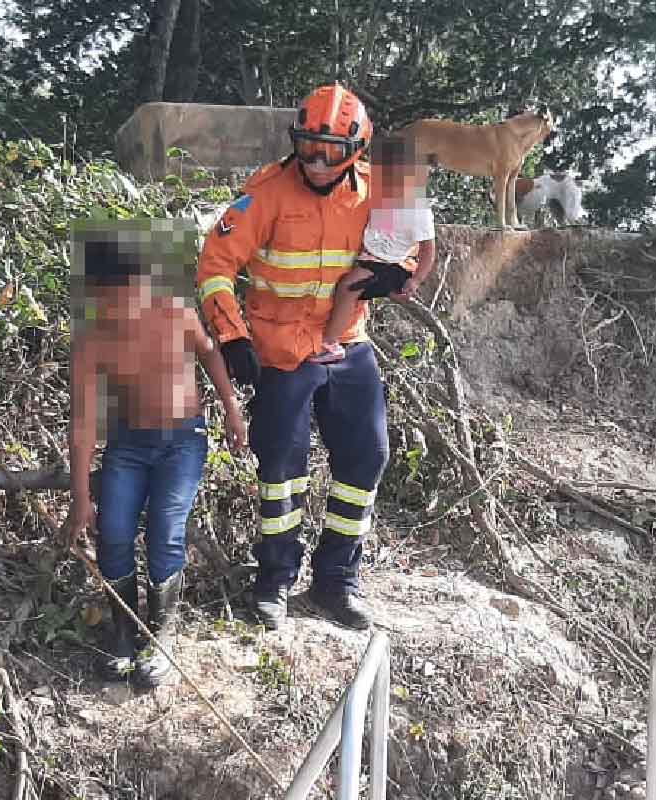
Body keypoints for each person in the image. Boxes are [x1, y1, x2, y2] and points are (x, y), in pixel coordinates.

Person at [196, 83, 403, 631]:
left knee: (367, 457)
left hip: (346, 341)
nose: (315, 160)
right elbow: (215, 265)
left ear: (356, 149)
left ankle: (336, 581)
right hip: (280, 348)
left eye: (329, 150)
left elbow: (407, 247)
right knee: (282, 468)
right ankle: (275, 580)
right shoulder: (265, 192)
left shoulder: (376, 193)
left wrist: (395, 273)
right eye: (307, 146)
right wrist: (232, 336)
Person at [66, 229, 246, 686]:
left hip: (182, 441)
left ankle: (161, 635)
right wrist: (81, 497)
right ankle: (125, 634)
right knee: (114, 533)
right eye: (109, 296)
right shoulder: (93, 342)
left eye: (130, 291)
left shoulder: (175, 314)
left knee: (166, 530)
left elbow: (209, 354)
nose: (122, 304)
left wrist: (231, 407)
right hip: (127, 445)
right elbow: (84, 424)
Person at [309, 135, 437, 364]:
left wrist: (415, 280)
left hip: (386, 264)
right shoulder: (388, 197)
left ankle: (330, 343)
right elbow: (380, 230)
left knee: (349, 287)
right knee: (354, 288)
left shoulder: (419, 210)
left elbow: (428, 250)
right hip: (374, 258)